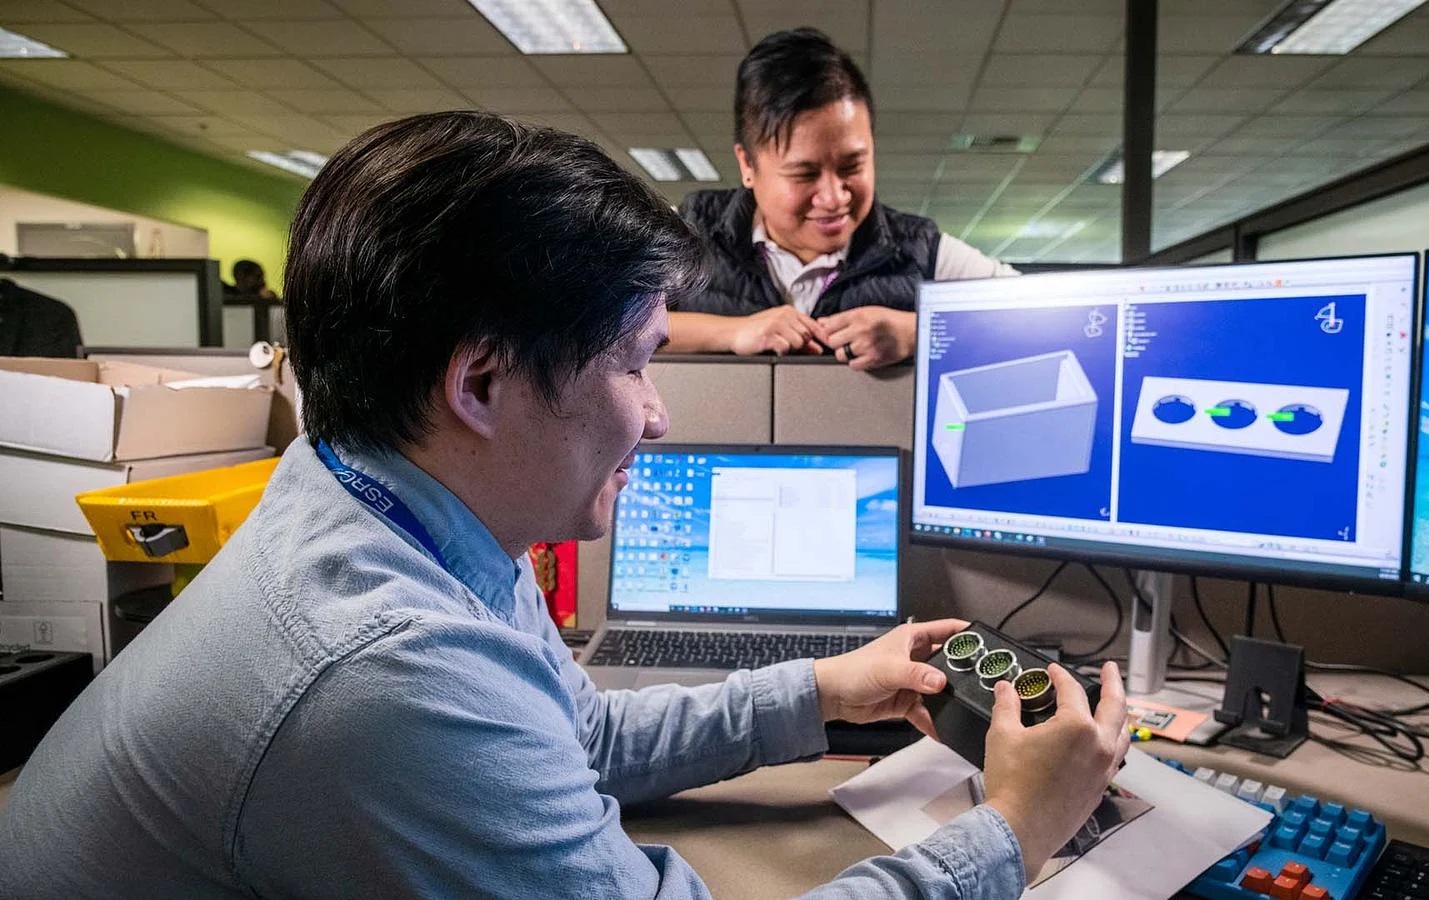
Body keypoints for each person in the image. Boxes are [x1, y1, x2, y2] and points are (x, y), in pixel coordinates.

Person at [0, 112, 1128, 898]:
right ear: (480, 383)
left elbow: (571, 737)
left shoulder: (372, 502)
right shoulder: (383, 671)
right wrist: (1013, 831)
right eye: (636, 363)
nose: (658, 415)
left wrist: (826, 687)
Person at [665, 28, 1017, 371]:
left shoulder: (921, 250)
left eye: (853, 165)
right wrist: (732, 332)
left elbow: (1058, 317)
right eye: (804, 174)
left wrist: (920, 332)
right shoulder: (686, 234)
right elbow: (611, 320)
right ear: (748, 165)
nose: (834, 198)